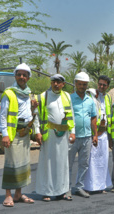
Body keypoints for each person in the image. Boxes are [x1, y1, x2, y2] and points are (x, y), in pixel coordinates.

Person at [0, 63, 38, 207]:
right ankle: (8, 195)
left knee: (23, 164)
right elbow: (3, 116)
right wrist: (5, 135)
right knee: (11, 164)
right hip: (12, 134)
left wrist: (33, 108)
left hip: (25, 133)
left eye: (25, 75)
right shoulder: (9, 93)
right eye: (19, 74)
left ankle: (18, 194)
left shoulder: (28, 94)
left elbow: (26, 113)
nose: (22, 77)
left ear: (28, 77)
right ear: (15, 76)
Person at [35, 74, 75, 202]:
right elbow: (36, 116)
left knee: (62, 163)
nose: (56, 84)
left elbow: (71, 115)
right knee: (48, 163)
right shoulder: (43, 96)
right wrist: (37, 132)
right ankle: (46, 191)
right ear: (51, 83)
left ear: (63, 84)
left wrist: (73, 132)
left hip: (63, 134)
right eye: (54, 82)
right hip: (49, 134)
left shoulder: (67, 96)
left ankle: (61, 191)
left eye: (59, 82)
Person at [69, 72, 98, 198]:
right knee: (68, 164)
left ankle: (79, 187)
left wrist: (95, 135)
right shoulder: (69, 99)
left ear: (87, 86)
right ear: (75, 84)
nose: (82, 86)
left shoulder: (90, 101)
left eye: (84, 84)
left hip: (86, 137)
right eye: (79, 84)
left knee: (84, 164)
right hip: (72, 138)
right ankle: (66, 188)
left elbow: (93, 118)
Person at [83, 75, 112, 193]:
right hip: (93, 133)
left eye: (104, 85)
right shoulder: (91, 95)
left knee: (103, 160)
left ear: (107, 86)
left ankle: (101, 186)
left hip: (104, 133)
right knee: (92, 161)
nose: (101, 86)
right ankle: (90, 186)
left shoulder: (108, 98)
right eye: (100, 84)